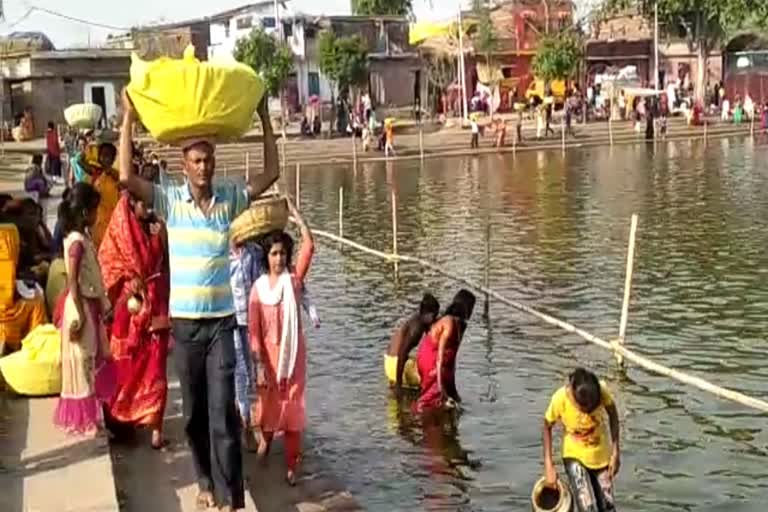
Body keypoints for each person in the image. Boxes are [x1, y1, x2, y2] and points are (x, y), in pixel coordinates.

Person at [119, 89, 279, 512]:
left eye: (208, 160)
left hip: (222, 323)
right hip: (187, 327)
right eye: (196, 161)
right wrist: (127, 119)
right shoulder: (171, 200)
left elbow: (271, 174)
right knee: (193, 416)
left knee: (223, 411)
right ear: (184, 166)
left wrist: (264, 118)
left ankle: (232, 499)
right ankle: (205, 481)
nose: (204, 167)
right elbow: (124, 177)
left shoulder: (228, 198)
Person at [248, 200, 314, 486]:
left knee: (293, 409)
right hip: (268, 360)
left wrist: (297, 218)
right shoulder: (258, 289)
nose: (279, 259)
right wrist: (260, 364)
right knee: (268, 406)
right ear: (267, 257)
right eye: (274, 253)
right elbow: (254, 332)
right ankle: (264, 445)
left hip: (293, 358)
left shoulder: (294, 283)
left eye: (283, 253)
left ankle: (291, 465)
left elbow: (309, 246)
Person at [99, 192, 171, 449]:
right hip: (129, 312)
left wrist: (162, 237)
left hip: (156, 303)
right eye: (144, 203)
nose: (149, 207)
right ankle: (123, 417)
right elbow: (107, 267)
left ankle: (155, 429)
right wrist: (130, 286)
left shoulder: (157, 230)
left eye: (151, 202)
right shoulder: (120, 233)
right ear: (131, 205)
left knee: (156, 367)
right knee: (127, 368)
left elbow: (167, 267)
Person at [54, 182, 115, 436]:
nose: (96, 215)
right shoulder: (77, 242)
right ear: (84, 213)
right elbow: (74, 281)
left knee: (92, 359)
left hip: (89, 304)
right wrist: (79, 315)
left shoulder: (82, 239)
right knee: (84, 362)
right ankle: (87, 421)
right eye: (94, 210)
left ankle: (93, 418)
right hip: (80, 307)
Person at [543, 368, 621, 512]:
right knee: (587, 507)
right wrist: (549, 464)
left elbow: (613, 415)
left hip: (600, 455)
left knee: (608, 506)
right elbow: (547, 426)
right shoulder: (560, 399)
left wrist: (615, 452)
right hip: (574, 454)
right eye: (585, 409)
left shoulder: (602, 391)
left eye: (593, 407)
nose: (589, 411)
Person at [415, 289, 476, 413]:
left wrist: (451, 386)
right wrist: (440, 386)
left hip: (443, 361)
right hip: (430, 358)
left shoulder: (460, 326)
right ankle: (417, 417)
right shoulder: (449, 323)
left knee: (450, 396)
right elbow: (439, 357)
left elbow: (452, 355)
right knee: (432, 397)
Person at [229, 238, 264, 451]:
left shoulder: (253, 251)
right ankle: (246, 423)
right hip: (231, 319)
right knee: (240, 371)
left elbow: (259, 283)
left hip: (251, 319)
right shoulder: (223, 254)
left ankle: (247, 419)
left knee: (252, 369)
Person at [385, 293, 440, 392]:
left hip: (389, 361)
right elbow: (401, 354)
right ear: (428, 314)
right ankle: (399, 383)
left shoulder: (418, 318)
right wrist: (399, 384)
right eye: (434, 316)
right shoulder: (416, 329)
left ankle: (396, 383)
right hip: (395, 364)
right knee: (431, 378)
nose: (435, 320)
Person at [90, 143, 120, 248]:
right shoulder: (94, 176)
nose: (104, 158)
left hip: (116, 222)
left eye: (108, 155)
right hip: (98, 223)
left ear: (113, 158)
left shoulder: (118, 176)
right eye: (102, 155)